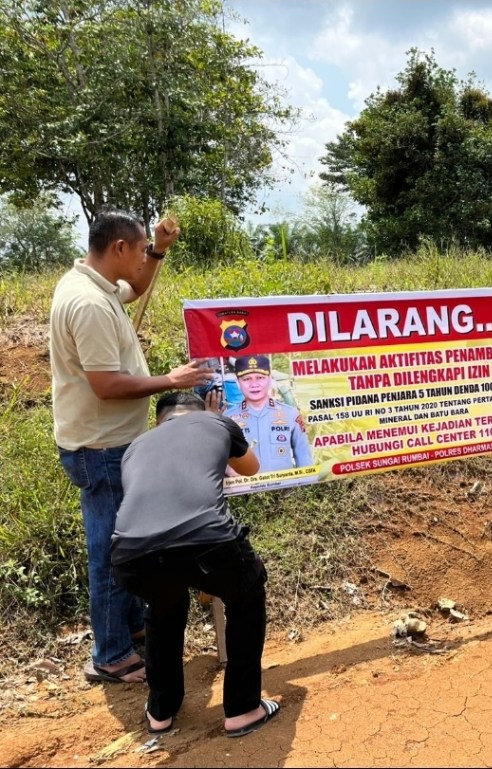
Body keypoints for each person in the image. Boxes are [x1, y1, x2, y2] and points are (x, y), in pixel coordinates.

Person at [50, 209, 213, 685]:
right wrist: (171, 380)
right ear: (119, 248)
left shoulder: (94, 285)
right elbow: (105, 385)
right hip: (101, 447)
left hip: (108, 441)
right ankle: (111, 655)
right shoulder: (90, 305)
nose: (144, 257)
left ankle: (131, 625)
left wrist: (159, 247)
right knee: (111, 551)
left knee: (126, 540)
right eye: (140, 249)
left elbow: (136, 287)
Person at [111, 392, 281, 738]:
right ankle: (243, 710)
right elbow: (250, 468)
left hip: (131, 554)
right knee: (246, 597)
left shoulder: (136, 447)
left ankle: (160, 711)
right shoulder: (216, 421)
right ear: (202, 410)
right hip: (207, 539)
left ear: (159, 421)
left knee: (163, 610)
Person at [223, 355, 314, 472]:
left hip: (286, 488)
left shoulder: (291, 414)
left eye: (260, 378)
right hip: (246, 488)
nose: (254, 384)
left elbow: (304, 457)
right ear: (237, 383)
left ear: (270, 380)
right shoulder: (228, 419)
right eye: (246, 379)